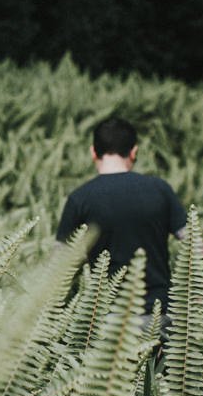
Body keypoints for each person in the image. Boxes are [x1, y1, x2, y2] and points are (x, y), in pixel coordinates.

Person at [56, 116, 190, 318]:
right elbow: (197, 248)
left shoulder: (79, 199)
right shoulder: (160, 189)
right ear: (134, 151)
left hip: (103, 320)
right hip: (158, 316)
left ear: (93, 152)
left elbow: (57, 266)